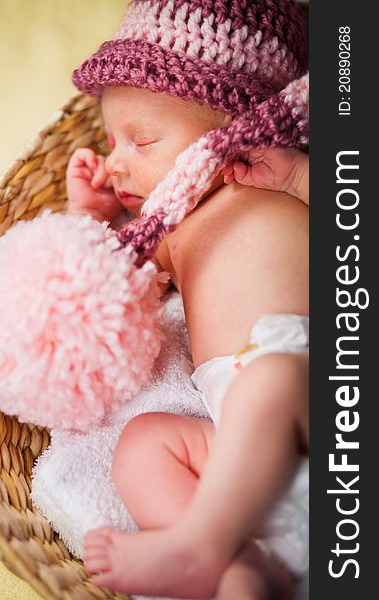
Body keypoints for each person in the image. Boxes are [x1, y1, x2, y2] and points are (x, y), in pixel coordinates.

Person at [65, 1, 309, 598]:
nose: (116, 162)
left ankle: (197, 542)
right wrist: (92, 220)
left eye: (141, 139)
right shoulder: (167, 236)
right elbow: (111, 291)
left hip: (319, 377)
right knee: (144, 444)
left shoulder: (275, 180)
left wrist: (301, 177)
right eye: (110, 140)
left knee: (272, 379)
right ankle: (242, 565)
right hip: (236, 439)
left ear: (237, 128)